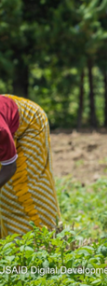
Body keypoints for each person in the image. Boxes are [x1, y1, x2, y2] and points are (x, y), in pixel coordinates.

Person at [0, 95, 61, 238]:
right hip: (6, 114)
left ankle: (43, 240)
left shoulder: (0, 130)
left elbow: (10, 167)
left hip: (29, 123)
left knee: (20, 188)